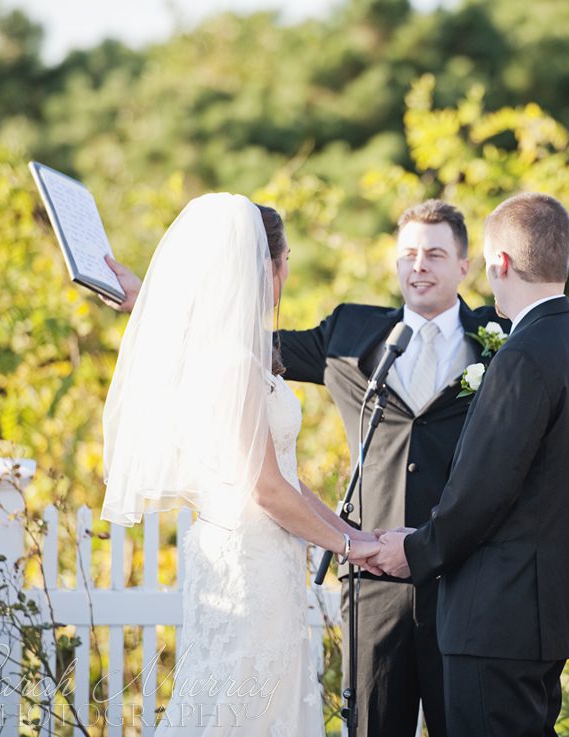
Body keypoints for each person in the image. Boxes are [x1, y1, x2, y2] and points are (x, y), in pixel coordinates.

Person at [100, 198, 569, 737]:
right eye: (406, 254)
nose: (417, 266)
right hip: (374, 582)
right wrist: (149, 301)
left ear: (470, 265)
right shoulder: (347, 334)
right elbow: (239, 335)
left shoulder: (513, 337)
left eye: (434, 253)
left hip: (466, 579)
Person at [100, 193, 379, 735]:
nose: (288, 270)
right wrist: (348, 548)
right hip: (247, 568)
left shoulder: (223, 351)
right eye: (286, 257)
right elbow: (267, 490)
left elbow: (286, 477)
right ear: (264, 265)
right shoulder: (231, 362)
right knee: (239, 709)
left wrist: (354, 535)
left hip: (258, 559)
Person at [368, 192, 569, 735]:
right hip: (536, 616)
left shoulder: (522, 355)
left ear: (500, 264)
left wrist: (416, 549)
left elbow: (484, 491)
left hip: (493, 620)